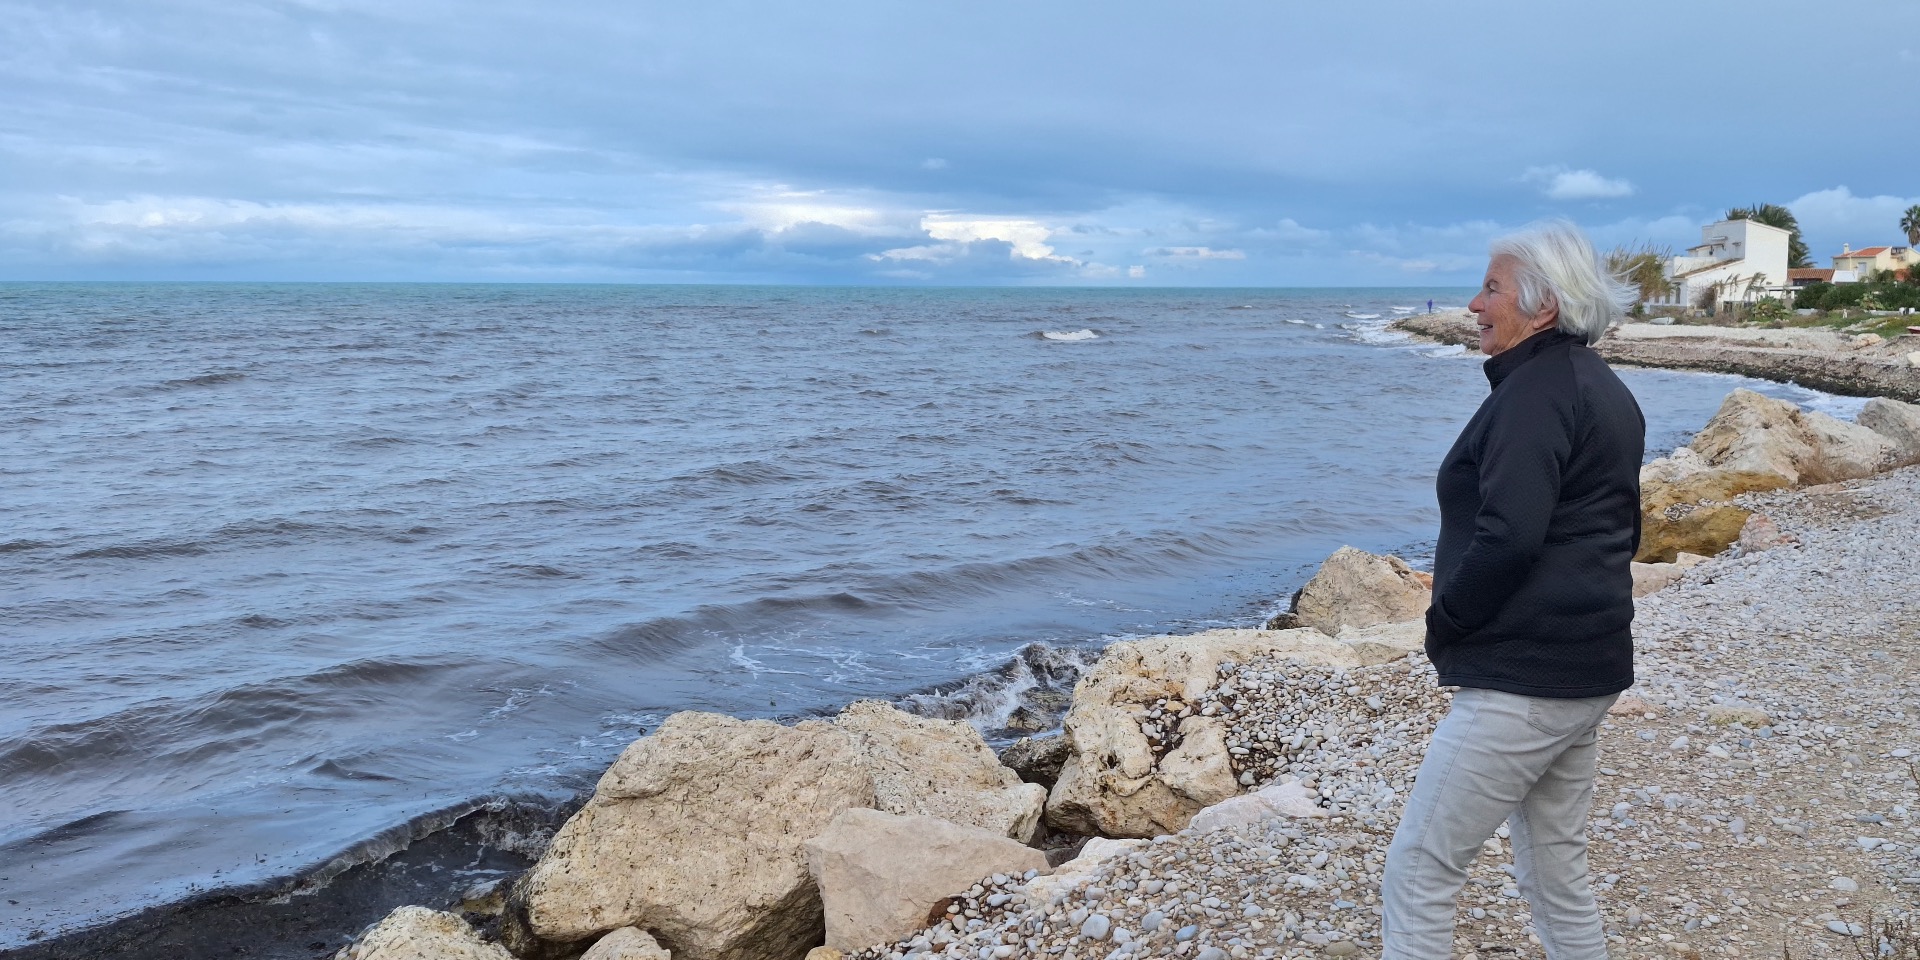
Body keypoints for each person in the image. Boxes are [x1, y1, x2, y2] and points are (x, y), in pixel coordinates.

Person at [1381, 221, 1644, 960]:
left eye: (1491, 288)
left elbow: (1510, 537)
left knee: (1421, 869)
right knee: (1556, 870)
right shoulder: (1598, 386)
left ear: (1544, 308)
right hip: (1586, 666)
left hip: (1525, 679)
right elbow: (1625, 529)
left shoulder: (1536, 393)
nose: (1473, 302)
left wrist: (1447, 622)